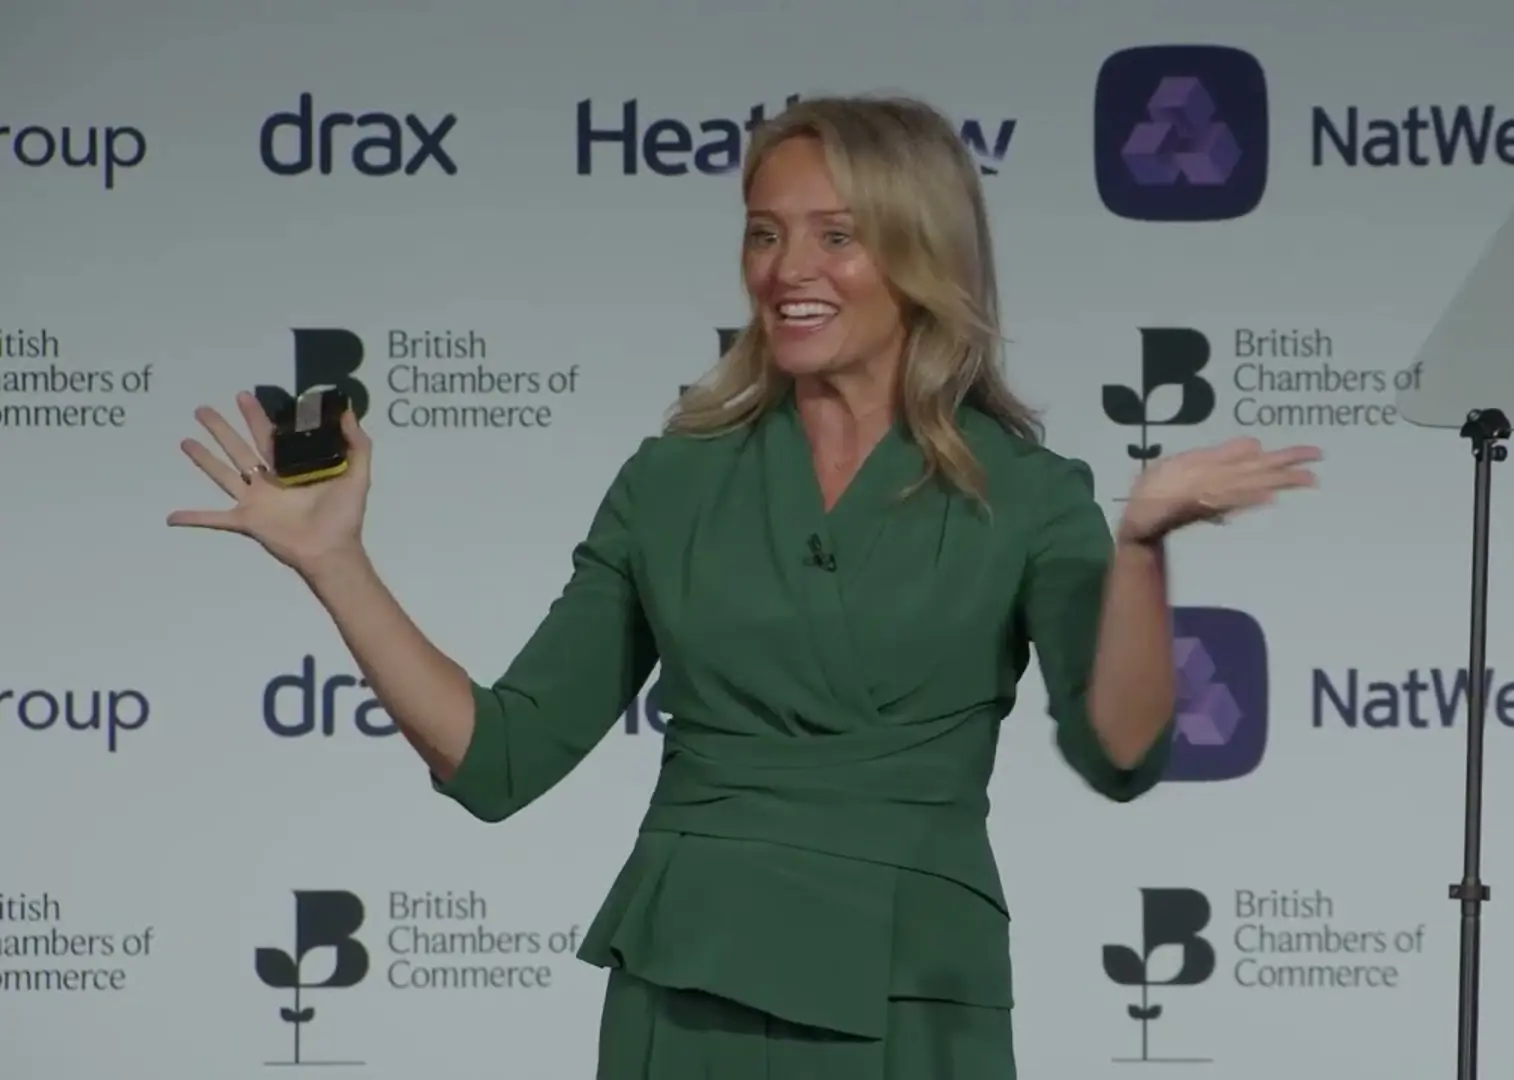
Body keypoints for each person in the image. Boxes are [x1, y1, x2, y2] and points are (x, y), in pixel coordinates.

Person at [168, 95, 1320, 1079]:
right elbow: (500, 761)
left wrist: (1142, 547)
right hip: (689, 987)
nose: (787, 270)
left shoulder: (1025, 494)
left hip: (910, 991)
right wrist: (335, 563)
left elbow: (1120, 753)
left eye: (836, 236)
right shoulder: (672, 481)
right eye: (765, 234)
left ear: (922, 255)